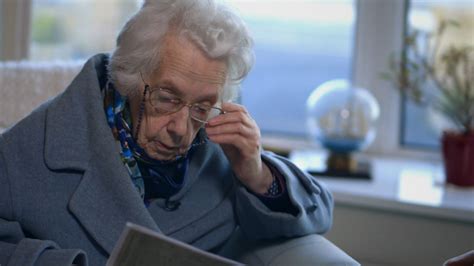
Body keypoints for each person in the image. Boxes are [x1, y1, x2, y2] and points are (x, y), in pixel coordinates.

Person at [0, 1, 358, 265]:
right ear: (129, 77)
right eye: (167, 98)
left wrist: (256, 172)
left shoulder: (218, 141)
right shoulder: (29, 148)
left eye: (201, 107)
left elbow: (319, 213)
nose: (181, 130)